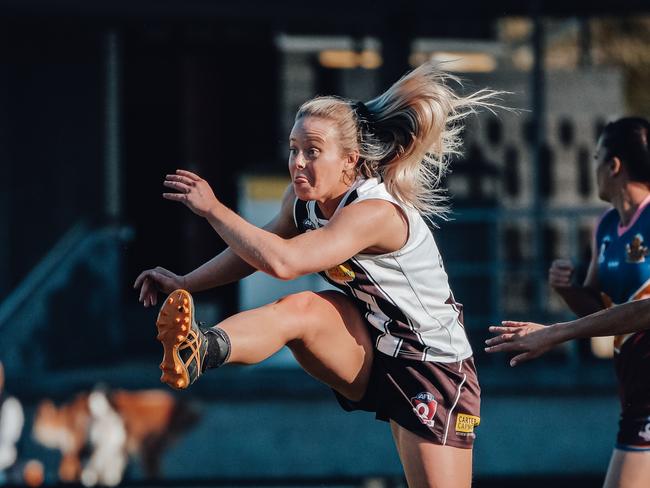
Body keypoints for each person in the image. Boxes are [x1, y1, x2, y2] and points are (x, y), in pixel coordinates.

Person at [134, 62, 499, 487]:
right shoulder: (303, 201)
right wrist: (184, 282)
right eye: (293, 149)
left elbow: (283, 262)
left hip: (432, 367)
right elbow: (252, 252)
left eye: (312, 151)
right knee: (302, 310)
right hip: (372, 346)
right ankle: (202, 348)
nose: (298, 162)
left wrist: (214, 209)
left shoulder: (374, 213)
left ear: (350, 161)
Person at [488, 117, 650, 488]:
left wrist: (555, 334)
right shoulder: (607, 226)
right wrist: (569, 290)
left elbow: (645, 310)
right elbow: (603, 313)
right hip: (634, 389)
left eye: (596, 157)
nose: (593, 166)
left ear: (614, 165)